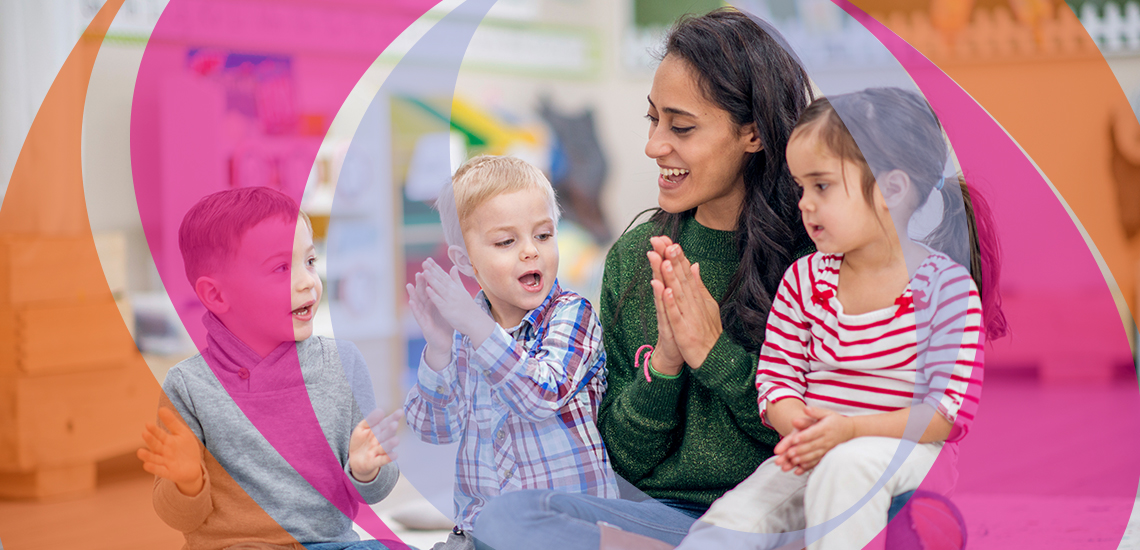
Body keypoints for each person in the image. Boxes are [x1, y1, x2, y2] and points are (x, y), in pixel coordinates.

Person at [474, 8, 815, 549]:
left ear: (752, 132)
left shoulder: (811, 258)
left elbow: (819, 438)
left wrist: (714, 353)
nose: (655, 145)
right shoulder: (636, 258)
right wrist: (667, 361)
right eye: (653, 120)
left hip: (778, 511)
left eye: (681, 127)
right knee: (505, 518)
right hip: (663, 519)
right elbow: (623, 459)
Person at [677, 87, 1006, 550]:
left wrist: (849, 430)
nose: (804, 203)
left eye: (822, 185)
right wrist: (803, 428)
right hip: (818, 442)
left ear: (892, 189)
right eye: (801, 187)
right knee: (737, 517)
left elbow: (948, 414)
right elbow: (776, 381)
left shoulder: (946, 289)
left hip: (911, 452)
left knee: (845, 468)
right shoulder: (805, 280)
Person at [137, 187, 402, 550]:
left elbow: (376, 491)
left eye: (310, 261)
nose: (307, 281)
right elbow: (181, 518)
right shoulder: (189, 386)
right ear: (216, 295)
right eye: (280, 268)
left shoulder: (343, 364)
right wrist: (187, 482)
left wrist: (366, 469)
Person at [403, 155, 618, 550]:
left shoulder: (572, 315)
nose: (530, 252)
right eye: (506, 242)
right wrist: (438, 350)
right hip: (481, 533)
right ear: (466, 262)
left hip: (568, 530)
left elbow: (542, 394)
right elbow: (435, 428)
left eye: (543, 235)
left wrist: (479, 330)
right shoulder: (468, 336)